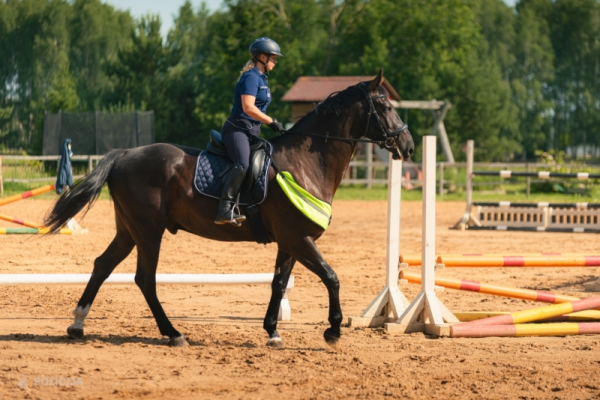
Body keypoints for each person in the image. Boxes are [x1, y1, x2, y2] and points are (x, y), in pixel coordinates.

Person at [214, 37, 285, 226]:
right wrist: (271, 121)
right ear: (262, 57)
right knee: (242, 163)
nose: (275, 62)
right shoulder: (251, 77)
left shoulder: (261, 78)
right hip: (237, 130)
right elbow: (248, 107)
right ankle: (223, 209)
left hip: (251, 132)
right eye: (273, 58)